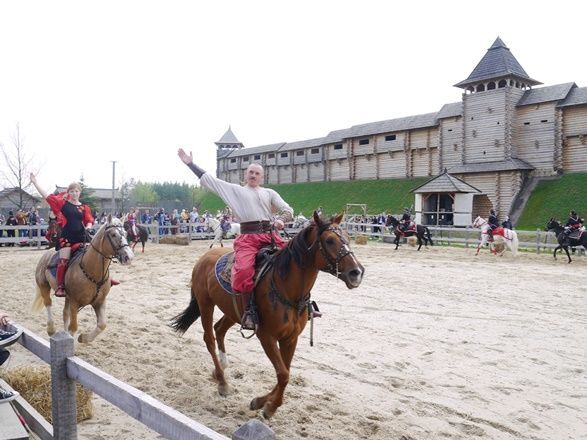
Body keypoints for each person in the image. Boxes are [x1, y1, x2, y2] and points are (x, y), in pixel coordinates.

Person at [178, 148, 293, 332]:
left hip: (271, 236)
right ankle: (249, 312)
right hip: (248, 239)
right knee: (243, 272)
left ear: (262, 177)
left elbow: (288, 210)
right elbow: (210, 181)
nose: (254, 175)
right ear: (246, 175)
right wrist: (191, 164)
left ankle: (304, 305)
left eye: (257, 173)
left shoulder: (269, 193)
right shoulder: (235, 191)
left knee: (295, 260)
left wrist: (281, 220)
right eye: (251, 172)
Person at [30, 174, 94, 297]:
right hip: (67, 238)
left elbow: (89, 220)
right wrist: (35, 183)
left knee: (96, 254)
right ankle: (60, 286)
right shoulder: (62, 204)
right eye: (72, 191)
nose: (75, 193)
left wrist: (89, 228)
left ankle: (105, 280)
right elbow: (47, 196)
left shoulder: (84, 207)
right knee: (63, 260)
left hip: (82, 236)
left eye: (77, 191)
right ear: (68, 192)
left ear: (79, 192)